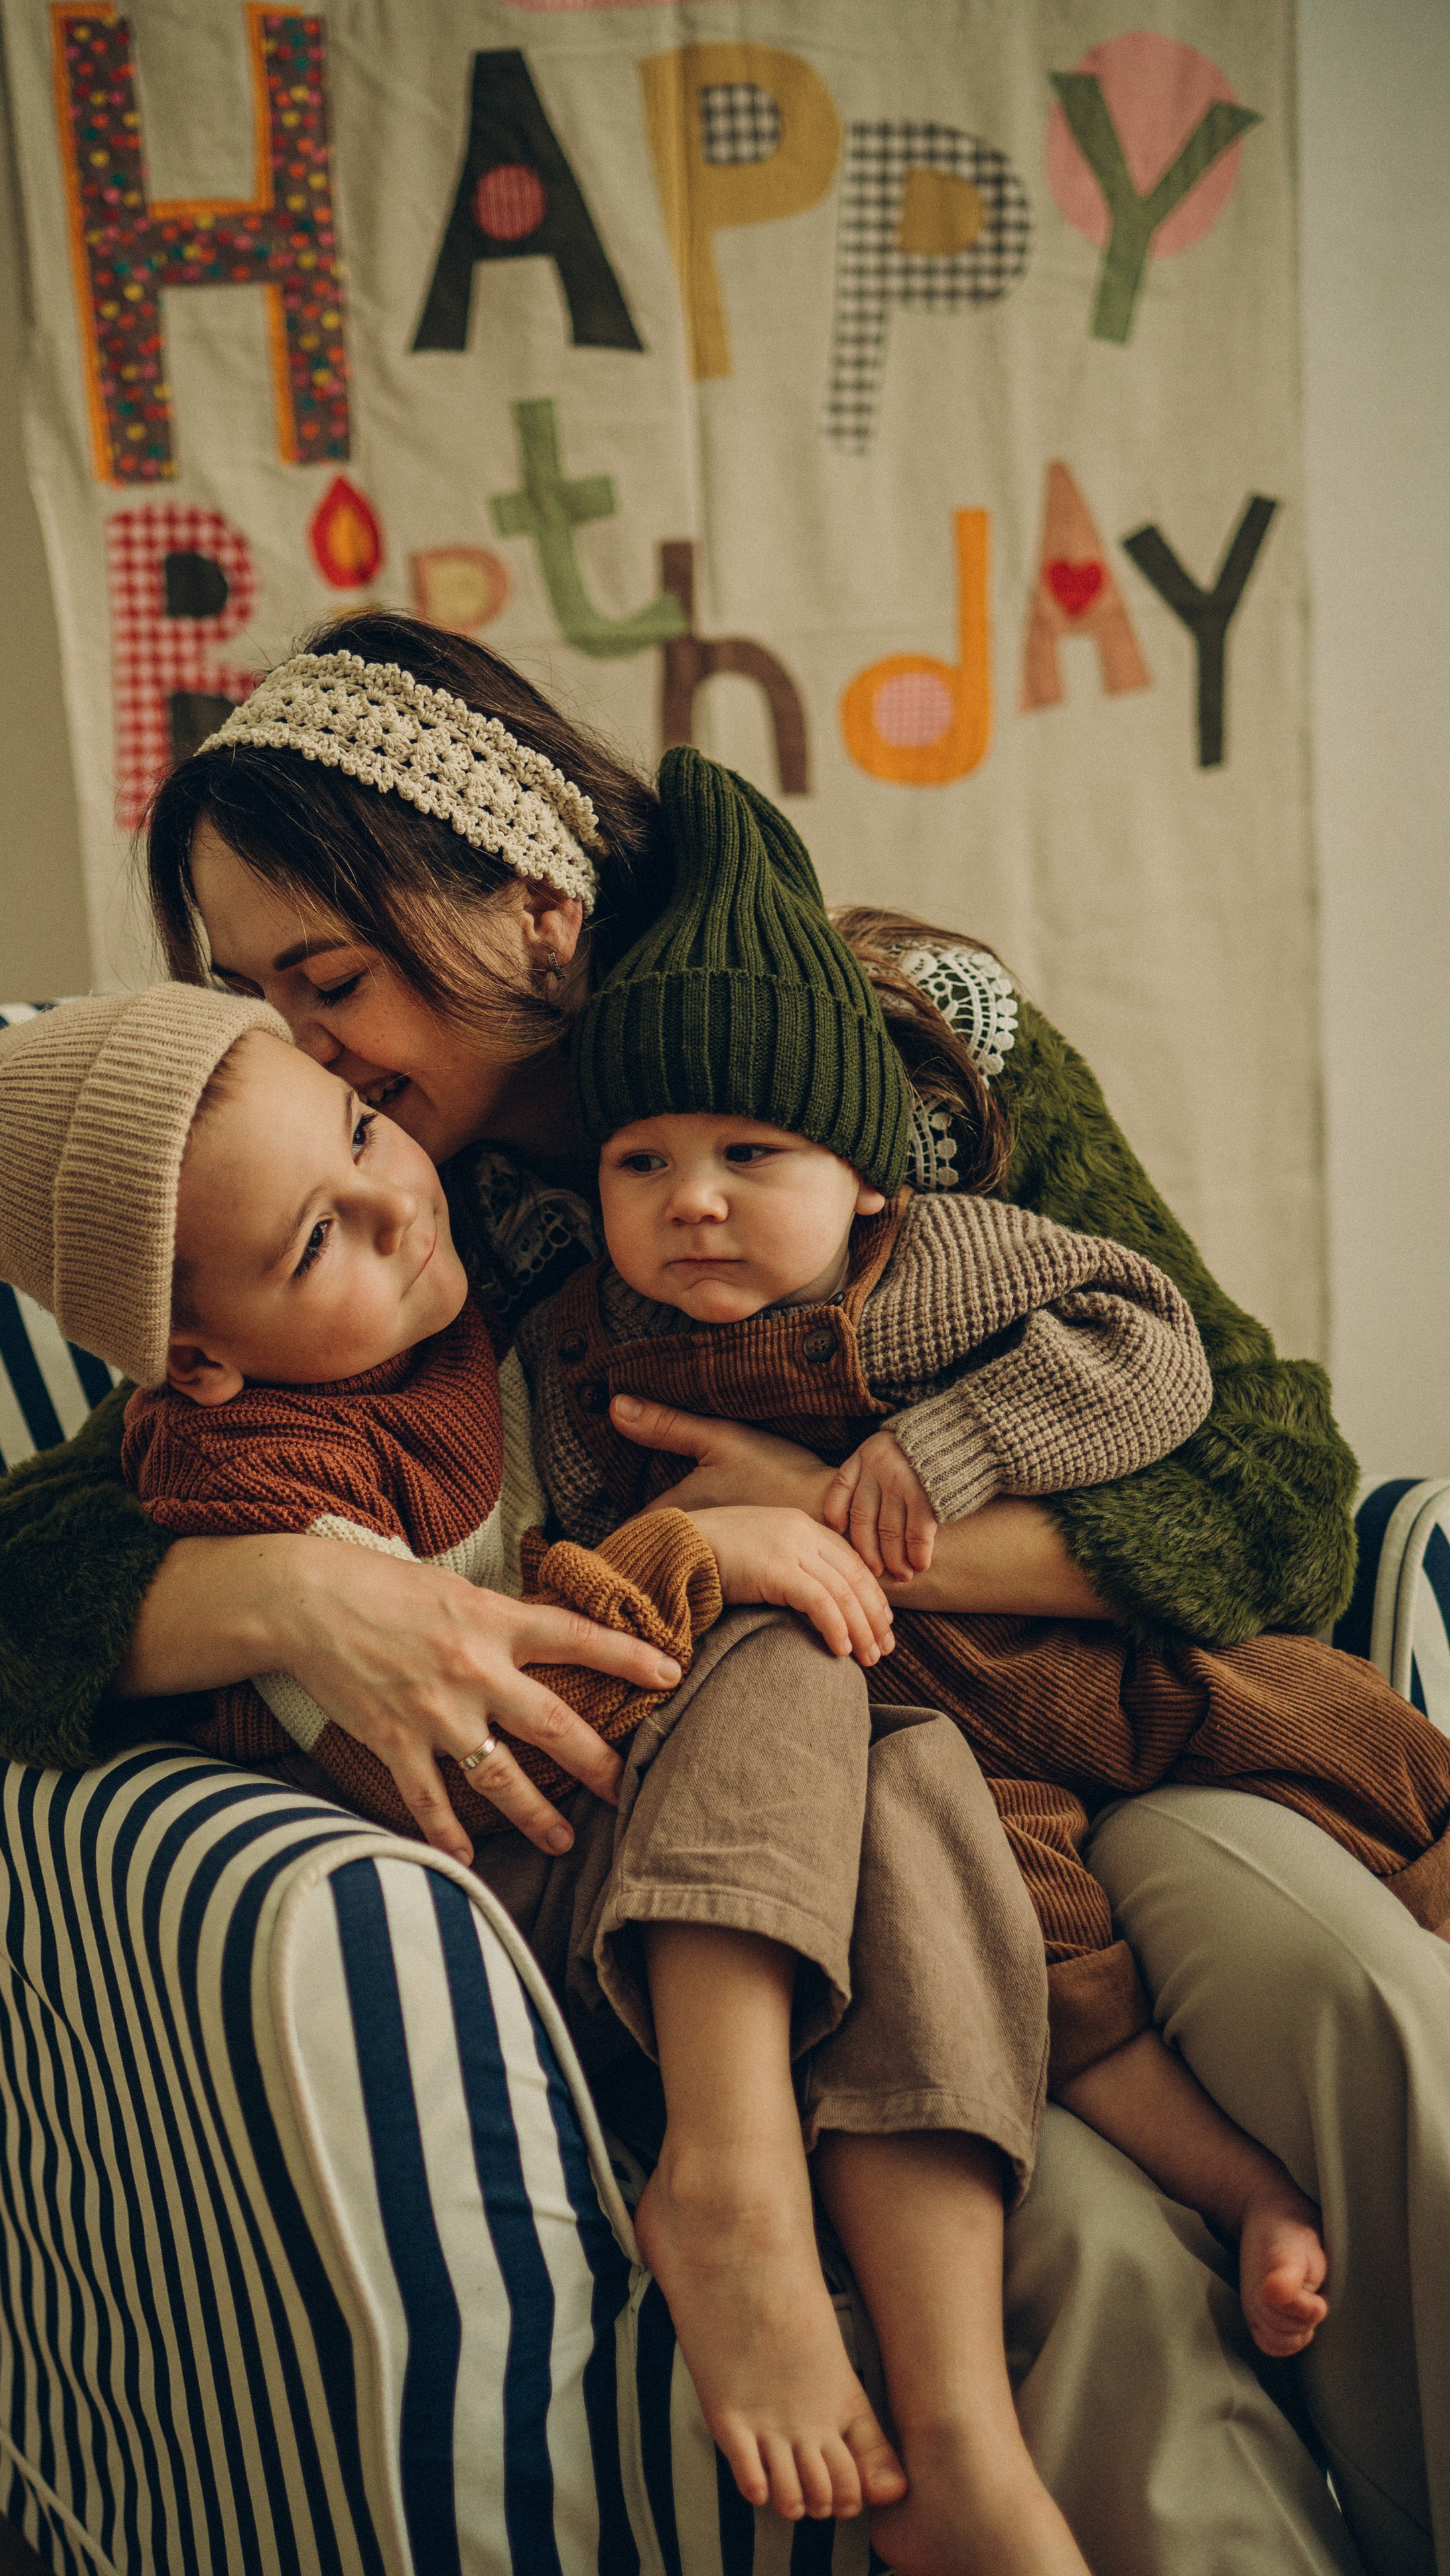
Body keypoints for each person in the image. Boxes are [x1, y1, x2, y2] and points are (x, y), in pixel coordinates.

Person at [0, 611, 1442, 2576]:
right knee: (1075, 2245)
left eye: (330, 980)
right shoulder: (389, 1222)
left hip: (1125, 1737)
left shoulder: (911, 1048)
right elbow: (21, 1587)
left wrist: (848, 1524)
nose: (298, 1051)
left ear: (535, 913)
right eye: (248, 993)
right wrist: (305, 1598)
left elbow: (1273, 1482)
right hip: (856, 1856)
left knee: (1366, 2010)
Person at [523, 740, 1450, 2368]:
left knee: (1328, 1725)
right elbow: (599, 1548)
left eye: (753, 1155)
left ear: (869, 1176)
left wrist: (931, 1456)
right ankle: (1238, 2194)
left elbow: (1149, 1349)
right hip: (926, 1748)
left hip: (1100, 1667)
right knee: (1052, 1975)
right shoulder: (587, 1347)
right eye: (640, 1162)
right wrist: (687, 1545)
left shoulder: (937, 1264)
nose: (693, 1203)